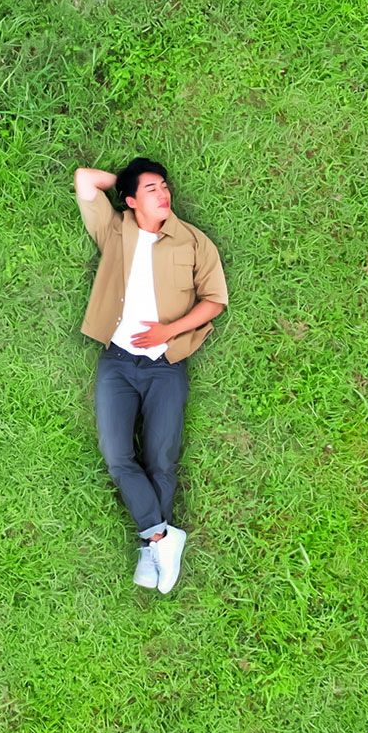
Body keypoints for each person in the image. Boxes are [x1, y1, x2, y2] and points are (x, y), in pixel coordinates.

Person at [73, 158, 229, 593]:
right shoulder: (114, 230)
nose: (163, 194)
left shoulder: (192, 241)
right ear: (130, 201)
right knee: (117, 456)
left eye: (164, 186)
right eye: (151, 189)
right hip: (117, 363)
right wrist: (126, 185)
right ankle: (161, 537)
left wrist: (168, 330)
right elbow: (85, 180)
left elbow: (215, 300)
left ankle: (149, 547)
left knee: (161, 459)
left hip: (166, 364)